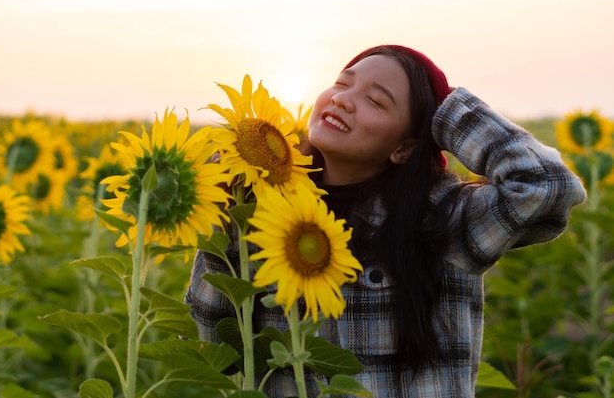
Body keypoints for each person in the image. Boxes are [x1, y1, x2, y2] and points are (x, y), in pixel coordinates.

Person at [186, 44, 587, 397]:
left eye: (376, 101)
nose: (343, 99)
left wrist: (443, 107)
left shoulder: (442, 219)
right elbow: (221, 351)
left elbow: (547, 187)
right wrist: (230, 214)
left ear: (405, 147)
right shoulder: (267, 215)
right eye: (342, 84)